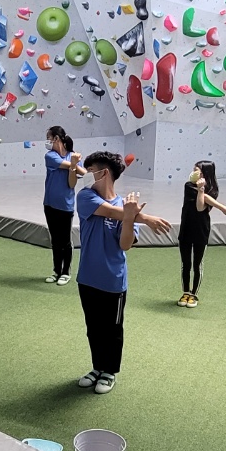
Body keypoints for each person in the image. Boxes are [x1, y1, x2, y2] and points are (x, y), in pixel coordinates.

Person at [74, 151, 171, 394]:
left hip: (113, 281)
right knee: (93, 328)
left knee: (112, 330)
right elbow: (110, 212)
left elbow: (125, 244)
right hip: (87, 278)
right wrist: (143, 217)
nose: (87, 175)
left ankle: (109, 371)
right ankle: (97, 367)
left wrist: (131, 218)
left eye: (91, 170)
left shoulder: (126, 207)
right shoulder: (86, 196)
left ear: (104, 173)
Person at [178, 160, 226, 307]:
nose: (194, 173)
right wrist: (222, 208)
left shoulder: (212, 190)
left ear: (205, 174)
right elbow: (204, 201)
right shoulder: (188, 186)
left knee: (197, 264)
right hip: (186, 228)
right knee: (186, 263)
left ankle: (194, 294)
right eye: (194, 169)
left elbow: (200, 207)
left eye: (198, 170)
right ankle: (185, 292)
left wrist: (201, 190)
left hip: (201, 230)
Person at [42, 126, 84, 284]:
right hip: (50, 204)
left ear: (56, 138)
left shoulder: (72, 156)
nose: (47, 141)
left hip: (66, 206)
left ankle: (66, 272)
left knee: (65, 240)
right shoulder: (50, 156)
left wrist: (74, 165)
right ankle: (56, 271)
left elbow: (72, 182)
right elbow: (79, 170)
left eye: (49, 137)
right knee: (55, 240)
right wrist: (74, 164)